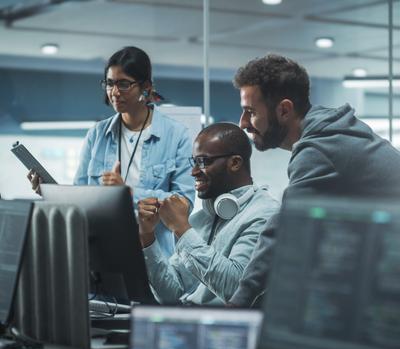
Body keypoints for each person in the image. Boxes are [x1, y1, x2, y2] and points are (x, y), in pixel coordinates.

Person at [229, 54, 400, 307]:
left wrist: (237, 302)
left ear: (284, 110)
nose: (243, 123)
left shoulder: (318, 150)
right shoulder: (331, 129)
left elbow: (282, 230)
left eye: (250, 112)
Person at [28, 46, 194, 257]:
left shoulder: (176, 135)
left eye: (124, 84)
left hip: (153, 257)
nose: (114, 92)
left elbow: (183, 206)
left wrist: (128, 193)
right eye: (109, 83)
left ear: (146, 87)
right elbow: (82, 200)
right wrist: (49, 190)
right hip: (101, 252)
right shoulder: (97, 135)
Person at [138, 122, 279, 305]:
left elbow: (236, 289)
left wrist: (182, 229)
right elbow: (172, 294)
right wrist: (147, 236)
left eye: (204, 162)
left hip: (228, 329)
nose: (194, 172)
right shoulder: (201, 218)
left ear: (235, 163)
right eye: (194, 162)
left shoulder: (265, 214)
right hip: (190, 323)